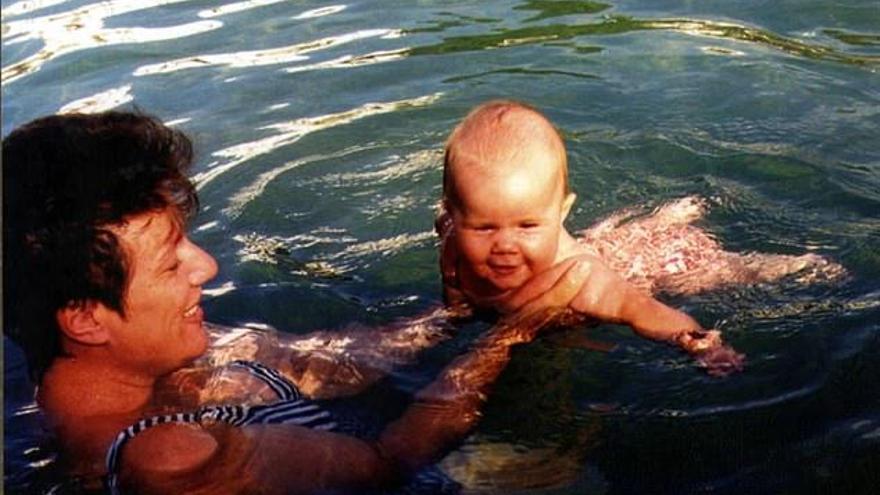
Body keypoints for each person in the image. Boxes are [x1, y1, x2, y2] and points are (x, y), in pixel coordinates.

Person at [2, 111, 584, 494]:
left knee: (602, 257)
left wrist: (458, 310)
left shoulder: (137, 368)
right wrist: (514, 331)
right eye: (172, 260)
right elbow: (386, 465)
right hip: (430, 471)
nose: (206, 267)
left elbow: (340, 362)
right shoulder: (166, 459)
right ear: (83, 318)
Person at [436, 100, 843, 375]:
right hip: (606, 248)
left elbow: (641, 309)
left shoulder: (583, 281)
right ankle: (669, 215)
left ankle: (799, 265)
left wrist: (696, 342)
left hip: (651, 266)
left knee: (721, 271)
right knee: (620, 239)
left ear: (561, 214)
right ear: (455, 214)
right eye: (485, 227)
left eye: (527, 226)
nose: (504, 245)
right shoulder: (454, 237)